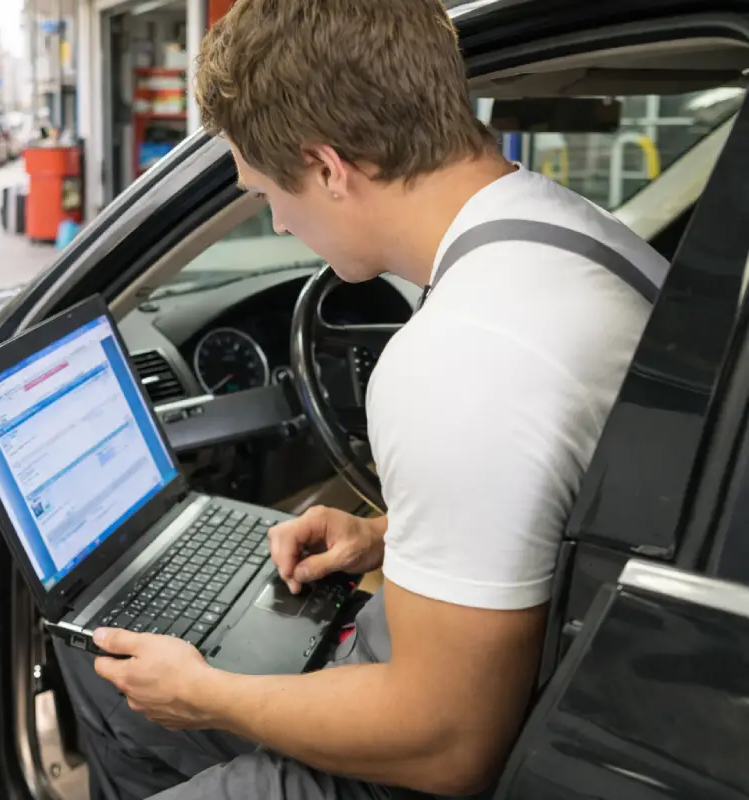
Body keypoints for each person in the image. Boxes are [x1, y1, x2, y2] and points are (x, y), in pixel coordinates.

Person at [51, 1, 669, 799]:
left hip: (444, 756)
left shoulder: (459, 358)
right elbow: (559, 493)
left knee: (153, 680)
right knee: (109, 665)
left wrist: (208, 695)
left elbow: (448, 747)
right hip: (541, 666)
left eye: (268, 191)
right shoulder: (571, 231)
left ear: (329, 168)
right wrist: (388, 535)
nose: (277, 222)